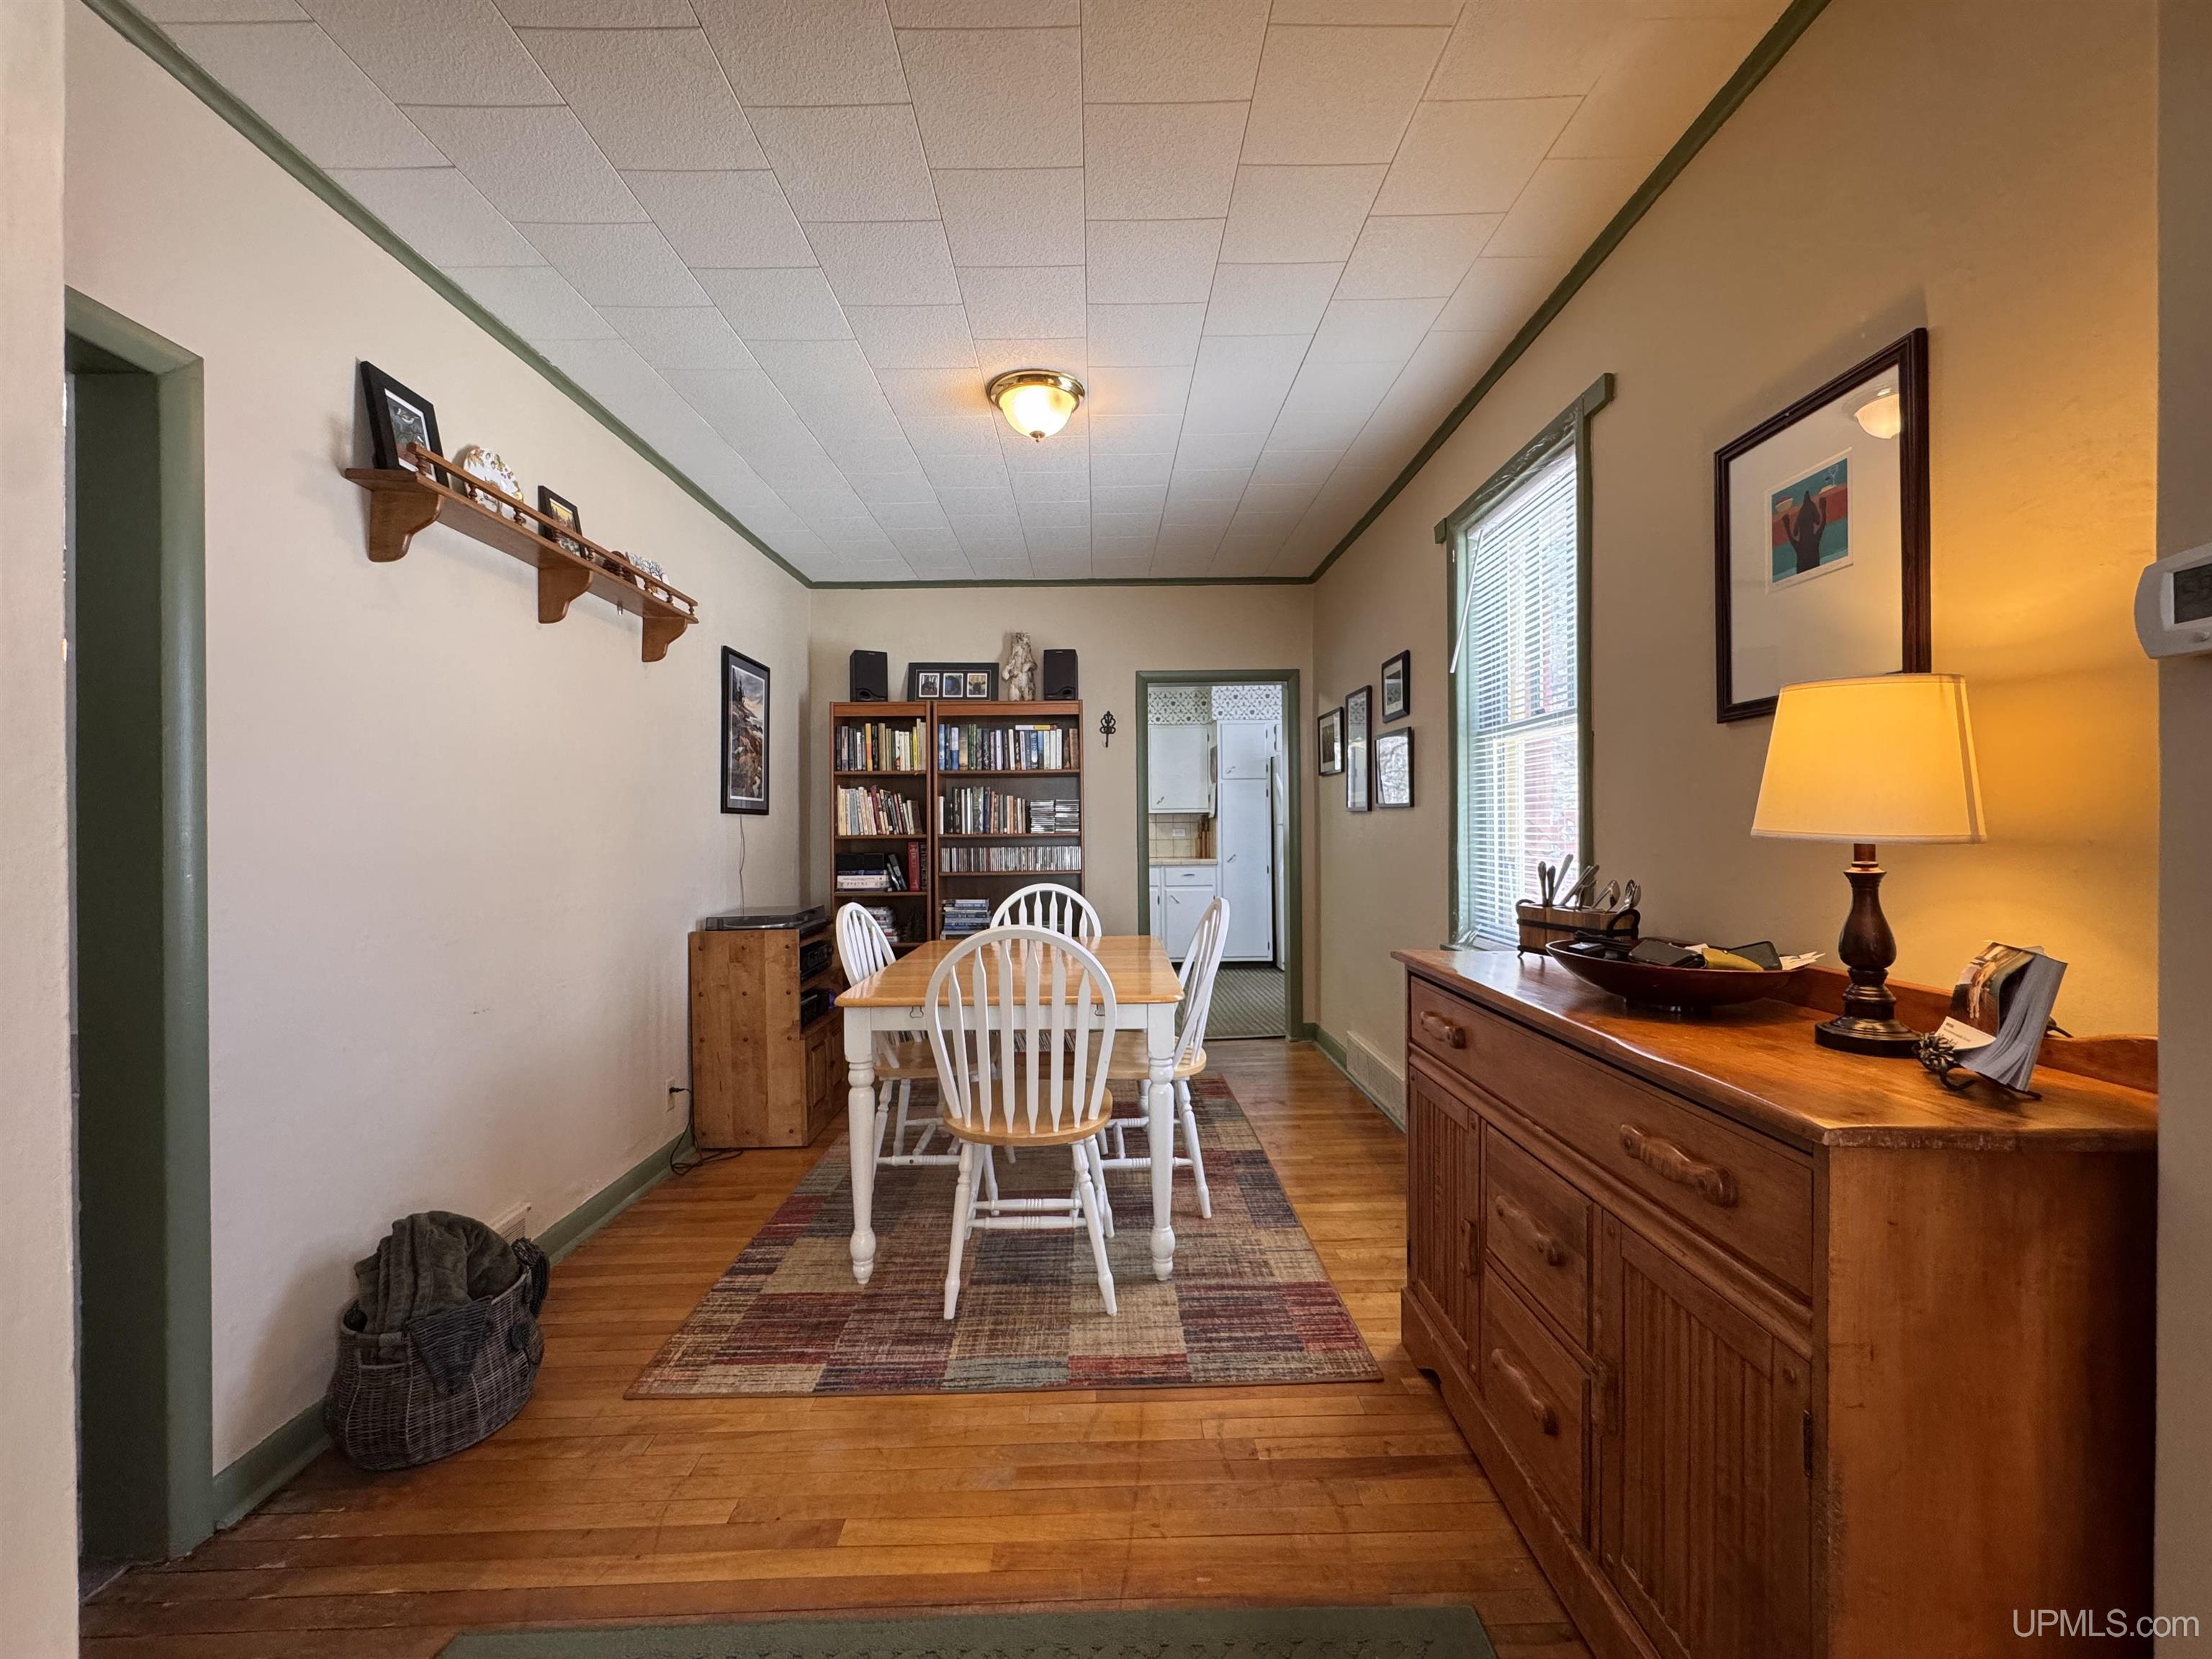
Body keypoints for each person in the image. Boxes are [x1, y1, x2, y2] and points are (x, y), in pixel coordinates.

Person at [1784, 485, 1827, 575]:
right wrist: (1823, 508)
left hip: (1803, 571)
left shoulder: (1801, 544)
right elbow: (1822, 524)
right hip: (1813, 569)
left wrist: (1786, 524)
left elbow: (1791, 537)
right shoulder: (1813, 539)